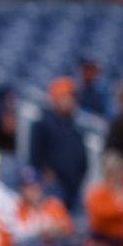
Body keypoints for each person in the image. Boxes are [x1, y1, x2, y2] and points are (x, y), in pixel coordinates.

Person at [30, 76, 88, 210]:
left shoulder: (75, 130)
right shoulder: (43, 124)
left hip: (72, 189)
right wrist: (45, 175)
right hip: (51, 188)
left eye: (72, 98)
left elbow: (83, 161)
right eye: (67, 97)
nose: (71, 102)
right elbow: (35, 156)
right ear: (55, 98)